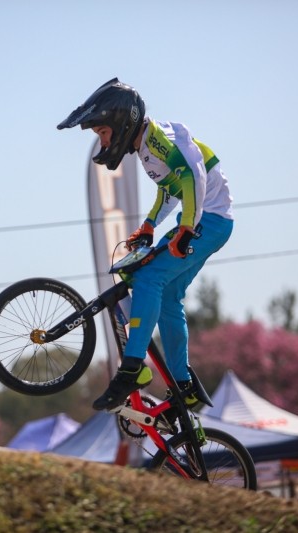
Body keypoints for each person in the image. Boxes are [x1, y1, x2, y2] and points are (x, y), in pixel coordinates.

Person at [58, 78, 234, 410]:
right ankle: (184, 385)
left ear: (121, 122)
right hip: (206, 219)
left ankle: (132, 369)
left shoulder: (157, 139)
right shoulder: (146, 146)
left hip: (211, 220)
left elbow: (192, 176)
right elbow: (170, 189)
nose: (104, 141)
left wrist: (185, 228)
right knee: (167, 295)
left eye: (103, 133)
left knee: (149, 278)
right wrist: (151, 224)